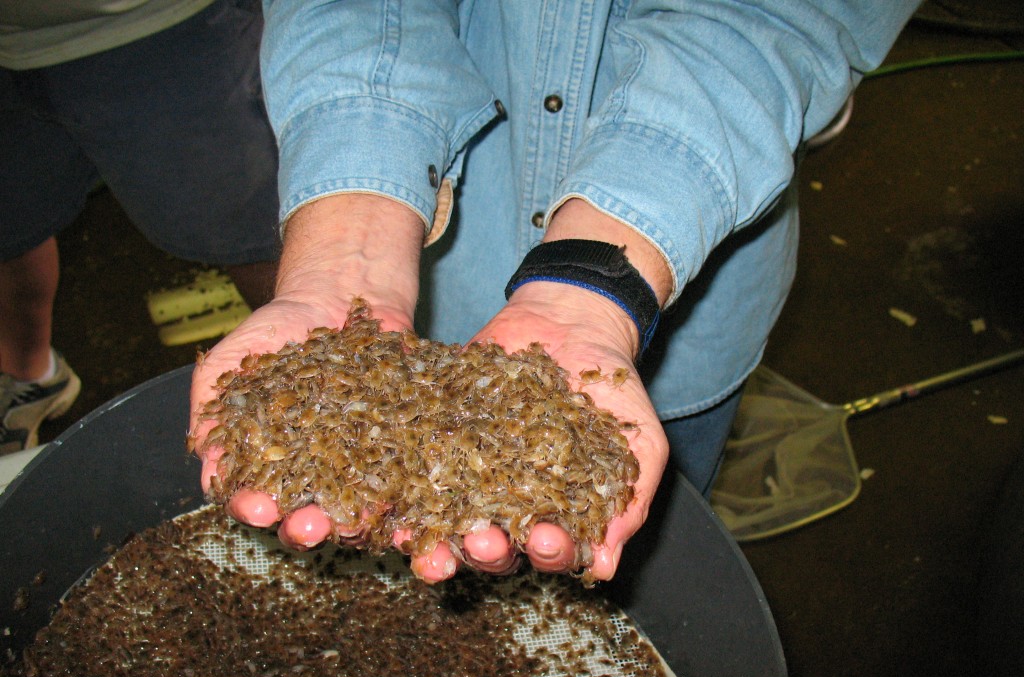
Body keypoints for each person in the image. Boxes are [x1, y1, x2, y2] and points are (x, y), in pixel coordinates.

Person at [189, 1, 921, 584]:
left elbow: (769, 20)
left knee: (636, 525)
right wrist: (349, 242)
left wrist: (595, 285)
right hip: (445, 257)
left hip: (684, 286)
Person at [0, 0, 280, 456]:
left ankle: (311, 378)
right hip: (10, 44)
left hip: (159, 27)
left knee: (254, 232)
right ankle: (32, 378)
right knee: (11, 229)